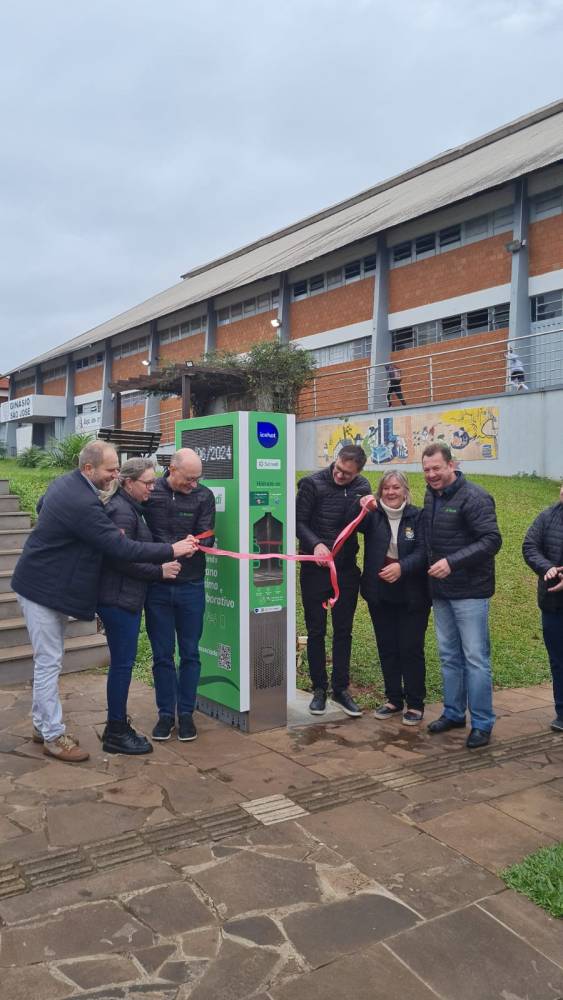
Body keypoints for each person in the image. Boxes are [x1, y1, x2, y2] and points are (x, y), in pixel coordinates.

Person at [11, 441, 197, 764]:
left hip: (45, 583)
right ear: (88, 469)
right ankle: (53, 736)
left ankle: (43, 725)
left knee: (49, 660)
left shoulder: (66, 485)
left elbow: (43, 506)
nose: (115, 474)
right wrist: (172, 550)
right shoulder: (84, 502)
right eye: (111, 469)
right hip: (41, 587)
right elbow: (121, 550)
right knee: (49, 661)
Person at [97, 458, 183, 755]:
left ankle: (116, 726)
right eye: (147, 482)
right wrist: (159, 571)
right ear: (127, 482)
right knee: (122, 665)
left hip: (126, 597)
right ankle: (116, 731)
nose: (152, 487)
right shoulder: (121, 512)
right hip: (119, 599)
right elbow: (121, 559)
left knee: (123, 663)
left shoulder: (132, 507)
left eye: (154, 481)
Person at [421, 443, 502, 749]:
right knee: (449, 656)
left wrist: (452, 563)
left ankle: (482, 723)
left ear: (451, 465)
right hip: (440, 592)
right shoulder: (432, 496)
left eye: (437, 468)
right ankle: (454, 713)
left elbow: (492, 540)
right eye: (426, 469)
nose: (431, 475)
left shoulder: (475, 497)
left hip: (470, 592)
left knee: (475, 659)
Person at [144, 448, 215, 743]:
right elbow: (140, 533)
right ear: (171, 470)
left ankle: (186, 713)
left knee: (190, 653)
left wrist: (192, 543)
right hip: (157, 585)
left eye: (198, 479)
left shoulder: (204, 496)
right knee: (162, 654)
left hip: (191, 585)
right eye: (189, 479)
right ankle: (165, 714)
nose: (194, 484)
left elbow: (207, 534)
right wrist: (166, 553)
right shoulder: (151, 492)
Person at [296, 445, 371, 717]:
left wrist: (367, 510)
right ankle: (319, 689)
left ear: (358, 472)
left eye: (347, 474)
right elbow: (298, 521)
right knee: (316, 630)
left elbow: (364, 527)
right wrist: (315, 544)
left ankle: (341, 688)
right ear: (334, 461)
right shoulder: (311, 484)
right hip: (315, 569)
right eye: (338, 468)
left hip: (346, 570)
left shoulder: (363, 486)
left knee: (344, 630)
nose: (340, 475)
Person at [360, 472, 430, 725]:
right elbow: (349, 524)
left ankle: (415, 703)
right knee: (387, 647)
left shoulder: (418, 516)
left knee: (410, 648)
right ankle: (393, 699)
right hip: (380, 592)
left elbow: (425, 551)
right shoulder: (372, 517)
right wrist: (359, 504)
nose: (391, 492)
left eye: (396, 487)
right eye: (386, 488)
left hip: (413, 594)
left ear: (405, 490)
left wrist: (402, 566)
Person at [522, 483, 563, 733]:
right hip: (553, 604)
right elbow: (529, 546)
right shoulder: (547, 517)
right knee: (558, 660)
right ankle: (562, 712)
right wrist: (546, 568)